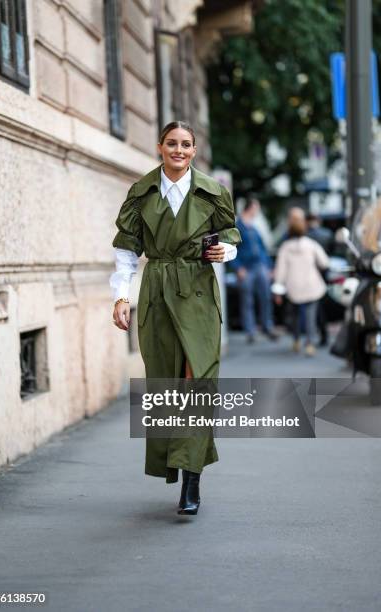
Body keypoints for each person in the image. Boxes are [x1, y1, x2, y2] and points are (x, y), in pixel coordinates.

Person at [110, 121, 241, 516]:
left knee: (196, 381)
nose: (179, 150)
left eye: (186, 144)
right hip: (156, 293)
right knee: (167, 387)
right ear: (160, 147)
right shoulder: (141, 192)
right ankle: (180, 466)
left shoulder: (214, 192)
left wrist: (225, 252)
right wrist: (120, 296)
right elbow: (126, 250)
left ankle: (192, 480)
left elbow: (231, 234)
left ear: (195, 150)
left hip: (198, 294)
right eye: (172, 143)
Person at [273, 210, 329, 356]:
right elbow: (324, 262)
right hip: (312, 286)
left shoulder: (284, 248)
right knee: (311, 316)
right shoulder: (311, 245)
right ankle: (310, 344)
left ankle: (296, 340)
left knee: (295, 316)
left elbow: (280, 271)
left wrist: (277, 291)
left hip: (293, 288)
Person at [231, 196, 277, 343]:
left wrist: (269, 266)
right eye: (256, 207)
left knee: (265, 297)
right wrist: (238, 268)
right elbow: (231, 248)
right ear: (250, 208)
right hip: (246, 268)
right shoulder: (238, 226)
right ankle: (250, 331)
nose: (258, 211)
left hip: (260, 266)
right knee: (247, 300)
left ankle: (267, 326)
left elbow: (263, 249)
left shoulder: (254, 227)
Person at [306, 213, 333, 345]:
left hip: (309, 274)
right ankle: (323, 334)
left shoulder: (305, 235)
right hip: (323, 273)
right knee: (321, 306)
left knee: (311, 307)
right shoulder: (327, 234)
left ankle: (311, 334)